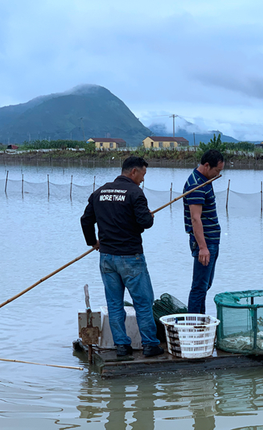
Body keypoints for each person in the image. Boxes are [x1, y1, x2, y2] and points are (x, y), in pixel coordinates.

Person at [80, 156, 164, 357]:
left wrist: (93, 243)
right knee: (143, 303)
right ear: (133, 171)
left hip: (107, 257)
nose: (143, 179)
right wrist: (150, 216)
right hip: (131, 258)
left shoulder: (99, 192)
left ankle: (121, 346)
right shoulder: (135, 193)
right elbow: (145, 222)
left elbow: (85, 220)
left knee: (115, 303)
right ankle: (151, 345)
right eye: (143, 174)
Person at [183, 149, 225, 314]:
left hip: (212, 240)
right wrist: (203, 247)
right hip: (205, 242)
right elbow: (195, 218)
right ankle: (194, 326)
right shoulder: (196, 184)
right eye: (217, 170)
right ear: (207, 166)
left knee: (205, 285)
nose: (218, 174)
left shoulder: (204, 180)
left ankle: (200, 322)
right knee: (199, 286)